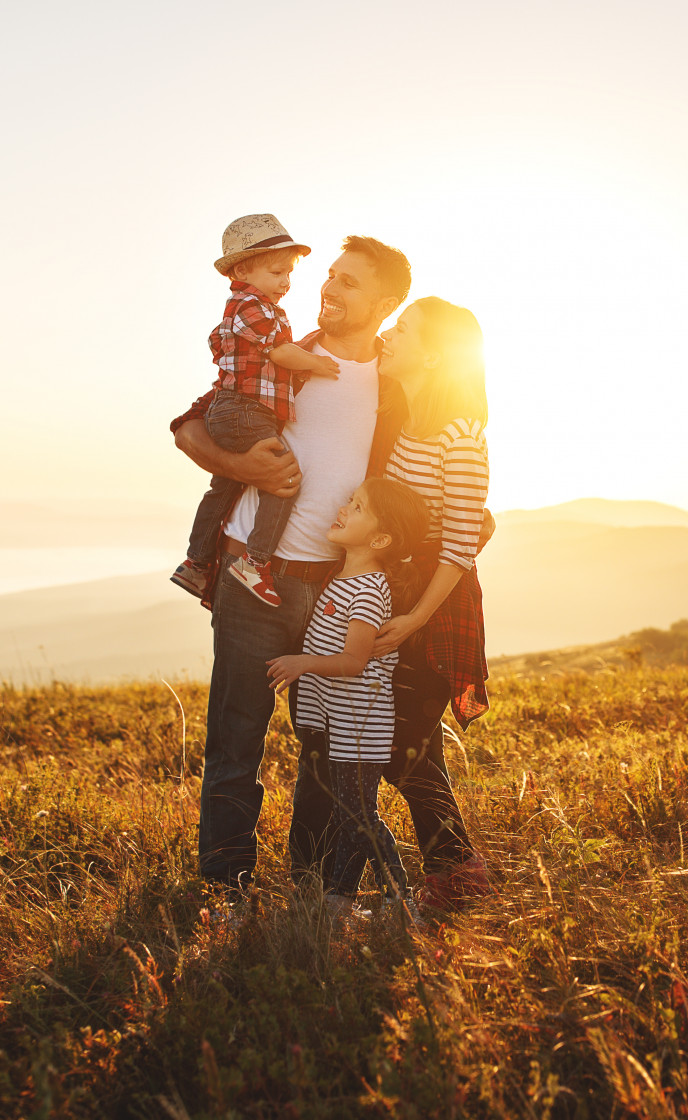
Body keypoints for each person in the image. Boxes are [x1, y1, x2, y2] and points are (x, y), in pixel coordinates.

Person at [171, 235, 413, 897]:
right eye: (329, 276)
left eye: (350, 283)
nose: (330, 289)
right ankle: (226, 888)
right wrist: (237, 464)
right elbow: (191, 425)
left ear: (385, 303)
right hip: (257, 577)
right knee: (236, 741)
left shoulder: (396, 387)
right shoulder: (288, 357)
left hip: (335, 591)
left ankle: (309, 886)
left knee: (324, 749)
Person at [371, 296, 492, 909]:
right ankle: (453, 871)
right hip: (395, 595)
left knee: (407, 744)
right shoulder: (399, 420)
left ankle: (458, 874)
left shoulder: (461, 437)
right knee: (411, 744)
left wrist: (416, 618)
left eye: (404, 329)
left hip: (437, 607)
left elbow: (462, 546)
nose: (389, 334)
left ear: (435, 354)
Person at [266, 477, 429, 921]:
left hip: (361, 726)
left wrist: (303, 663)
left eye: (357, 507)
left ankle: (401, 900)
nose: (343, 508)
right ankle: (340, 901)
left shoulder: (367, 589)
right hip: (342, 724)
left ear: (380, 539)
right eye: (350, 500)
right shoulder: (342, 577)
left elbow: (354, 662)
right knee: (349, 814)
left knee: (359, 817)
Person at [171, 214, 340, 609]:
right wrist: (316, 363)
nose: (286, 282)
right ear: (243, 270)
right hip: (245, 411)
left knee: (224, 486)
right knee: (283, 480)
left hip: (236, 410)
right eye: (277, 271)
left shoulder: (245, 306)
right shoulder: (252, 307)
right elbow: (280, 352)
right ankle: (255, 561)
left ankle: (196, 562)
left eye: (289, 274)